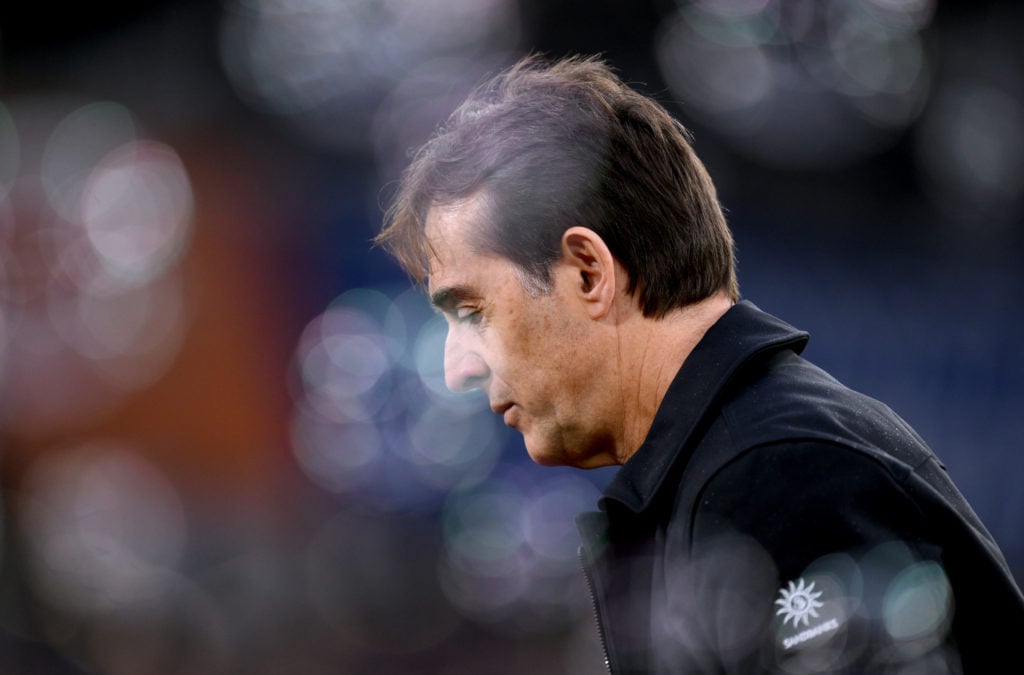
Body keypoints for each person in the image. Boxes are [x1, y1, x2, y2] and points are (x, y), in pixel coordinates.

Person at [375, 54, 1024, 673]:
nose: (457, 366)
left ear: (587, 271)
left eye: (472, 311)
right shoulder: (744, 461)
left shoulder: (777, 476)